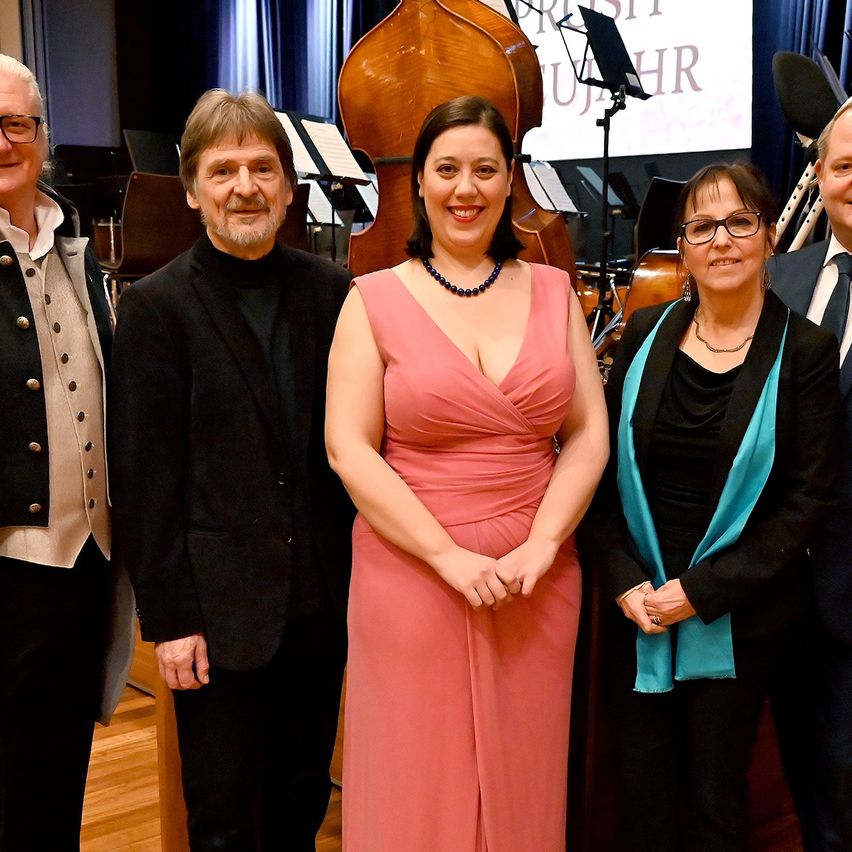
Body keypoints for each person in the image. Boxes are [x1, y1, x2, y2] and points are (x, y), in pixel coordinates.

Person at [325, 95, 608, 851]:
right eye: (447, 169)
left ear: (511, 180)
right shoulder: (372, 299)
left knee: (525, 780)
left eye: (486, 170)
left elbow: (586, 438)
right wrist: (446, 555)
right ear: (418, 182)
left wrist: (545, 546)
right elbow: (349, 449)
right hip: (412, 573)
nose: (466, 188)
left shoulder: (554, 291)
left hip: (535, 579)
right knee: (420, 780)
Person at [110, 88, 353, 851]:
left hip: (321, 606)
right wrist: (171, 622)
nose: (244, 186)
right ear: (191, 191)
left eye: (260, 167)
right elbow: (146, 482)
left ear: (287, 185)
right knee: (220, 822)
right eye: (222, 171)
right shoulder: (155, 308)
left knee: (302, 803)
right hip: (215, 620)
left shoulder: (334, 293)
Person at [583, 162, 841, 852]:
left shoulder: (806, 351)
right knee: (639, 801)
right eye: (701, 227)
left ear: (768, 234)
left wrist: (695, 594)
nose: (720, 240)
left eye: (739, 222)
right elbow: (597, 475)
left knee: (716, 807)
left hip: (737, 617)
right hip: (636, 607)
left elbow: (807, 500)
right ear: (683, 247)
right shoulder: (643, 333)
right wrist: (626, 582)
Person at [0, 55, 134, 851]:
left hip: (86, 564)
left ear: (43, 135)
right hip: (8, 563)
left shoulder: (73, 243)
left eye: (17, 123)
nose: (4, 141)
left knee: (59, 780)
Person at [768, 99, 852, 852]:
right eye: (846, 165)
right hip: (776, 588)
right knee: (807, 781)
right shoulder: (777, 277)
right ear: (820, 175)